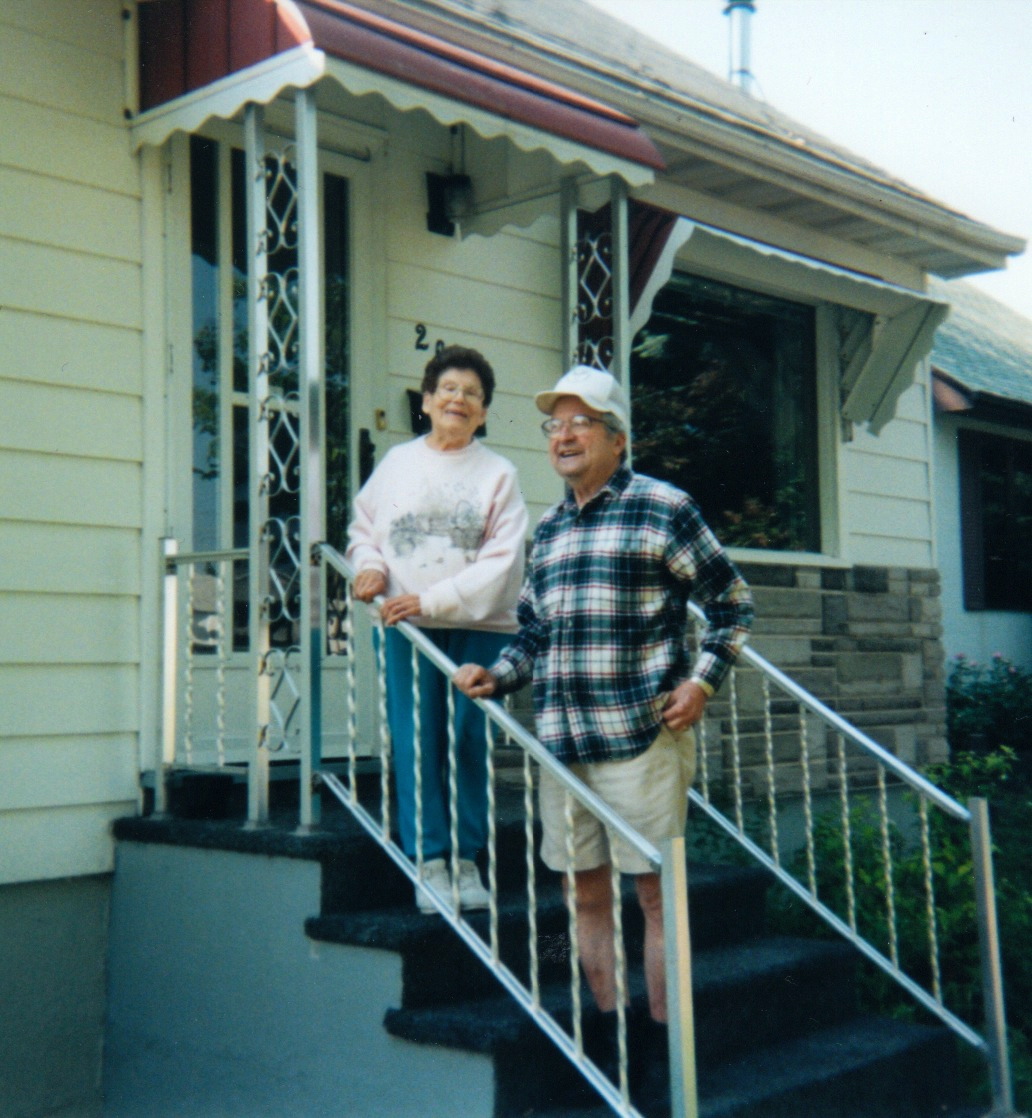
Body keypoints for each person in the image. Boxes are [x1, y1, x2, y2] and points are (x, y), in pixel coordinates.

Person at [453, 365, 753, 1069]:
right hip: (563, 747)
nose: (563, 437)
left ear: (617, 439)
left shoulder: (664, 508)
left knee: (654, 897)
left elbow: (732, 605)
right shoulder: (549, 529)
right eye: (554, 425)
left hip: (640, 739)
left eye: (579, 423)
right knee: (580, 894)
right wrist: (497, 674)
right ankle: (608, 1031)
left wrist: (702, 684)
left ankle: (665, 1048)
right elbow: (534, 634)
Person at [347, 346, 528, 913]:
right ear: (426, 401)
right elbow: (363, 530)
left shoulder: (499, 474)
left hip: (480, 625)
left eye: (472, 394)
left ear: (483, 412)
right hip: (407, 628)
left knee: (467, 741)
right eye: (448, 389)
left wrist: (431, 598)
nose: (459, 399)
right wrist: (368, 567)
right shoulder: (396, 463)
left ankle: (466, 860)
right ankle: (427, 859)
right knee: (416, 740)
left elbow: (503, 562)